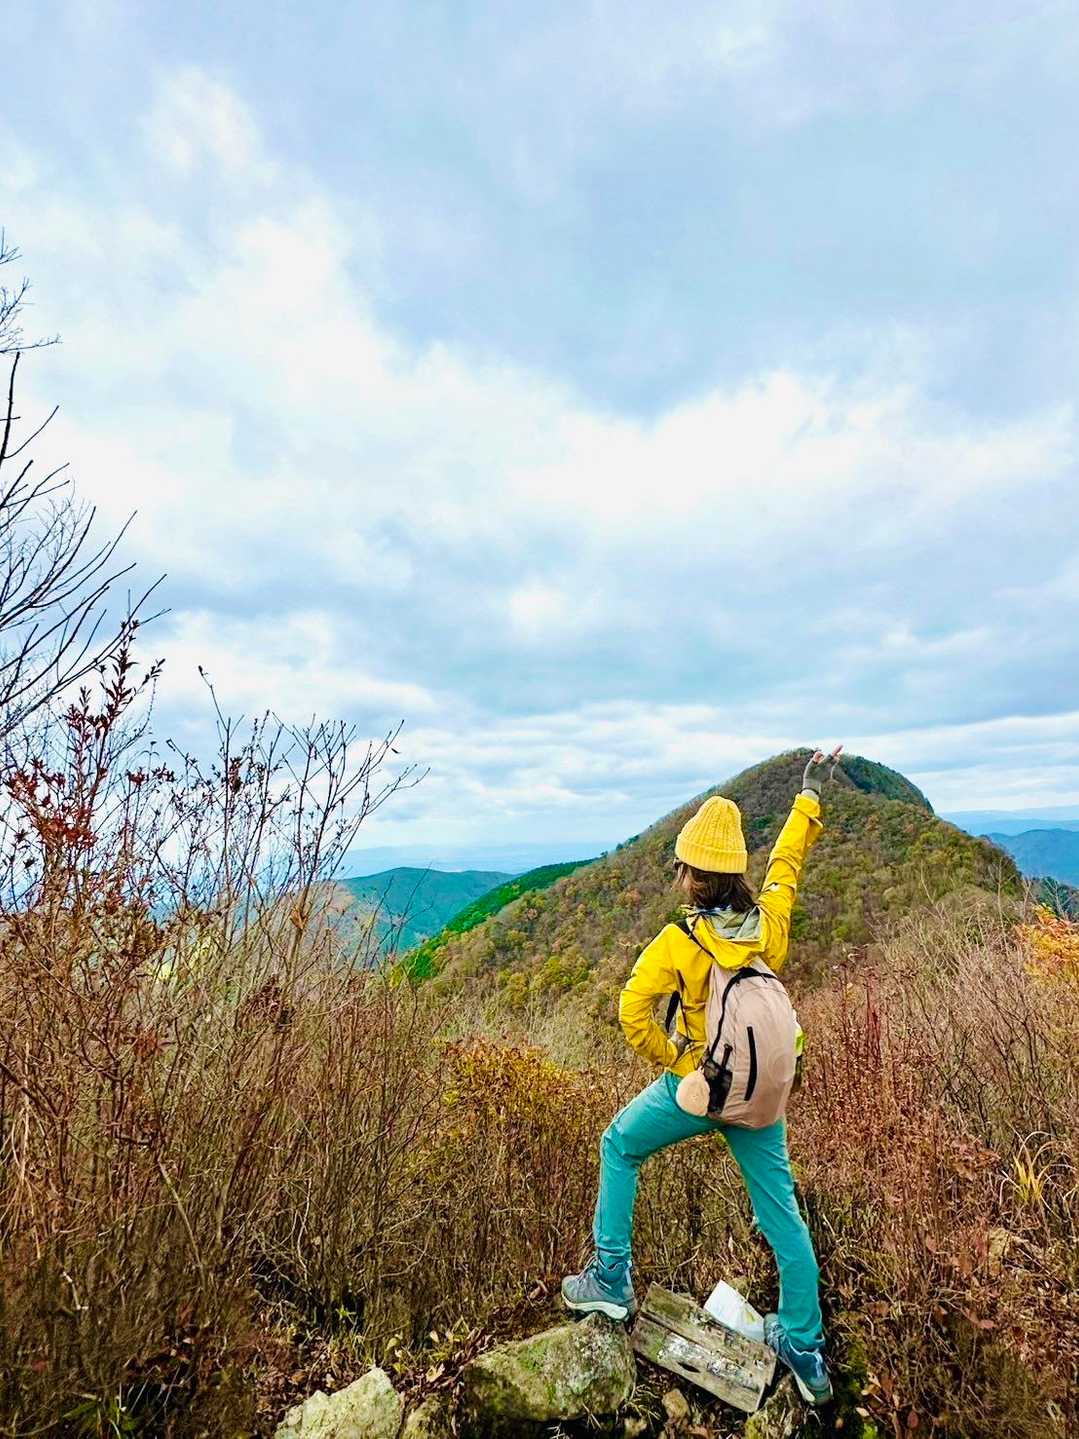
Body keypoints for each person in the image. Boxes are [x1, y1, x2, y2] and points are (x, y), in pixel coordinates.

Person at [562, 746, 843, 1406]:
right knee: (781, 1214)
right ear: (734, 873)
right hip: (759, 1095)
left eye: (681, 867)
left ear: (691, 876)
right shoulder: (765, 928)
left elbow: (631, 1010)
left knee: (618, 1145)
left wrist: (683, 1065)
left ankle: (610, 1279)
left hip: (700, 1087)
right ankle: (804, 1346)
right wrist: (808, 795)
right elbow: (786, 867)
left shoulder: (677, 942)